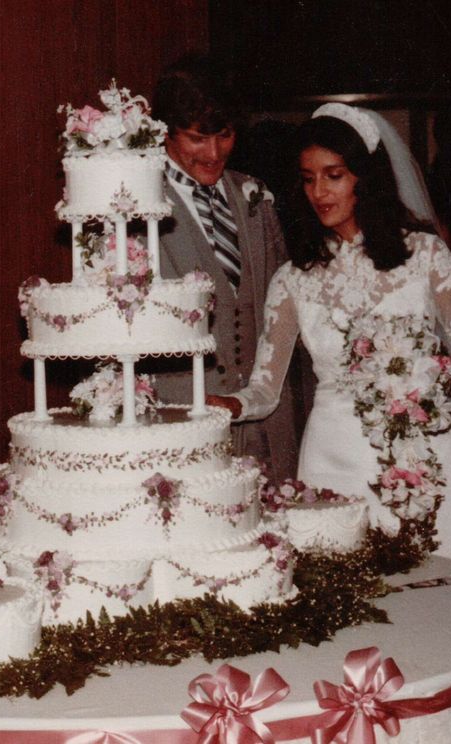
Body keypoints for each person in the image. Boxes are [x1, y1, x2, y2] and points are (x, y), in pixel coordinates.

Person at [208, 103, 451, 564]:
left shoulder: (425, 255)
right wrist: (232, 403)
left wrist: (417, 388)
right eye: (307, 178)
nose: (318, 191)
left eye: (333, 175)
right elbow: (266, 388)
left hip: (418, 448)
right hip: (333, 454)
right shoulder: (295, 279)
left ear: (364, 176)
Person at [151, 54, 306, 482]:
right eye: (197, 138)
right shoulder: (138, 204)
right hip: (183, 430)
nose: (213, 153)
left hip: (267, 427)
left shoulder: (255, 197)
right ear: (165, 131)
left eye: (225, 135)